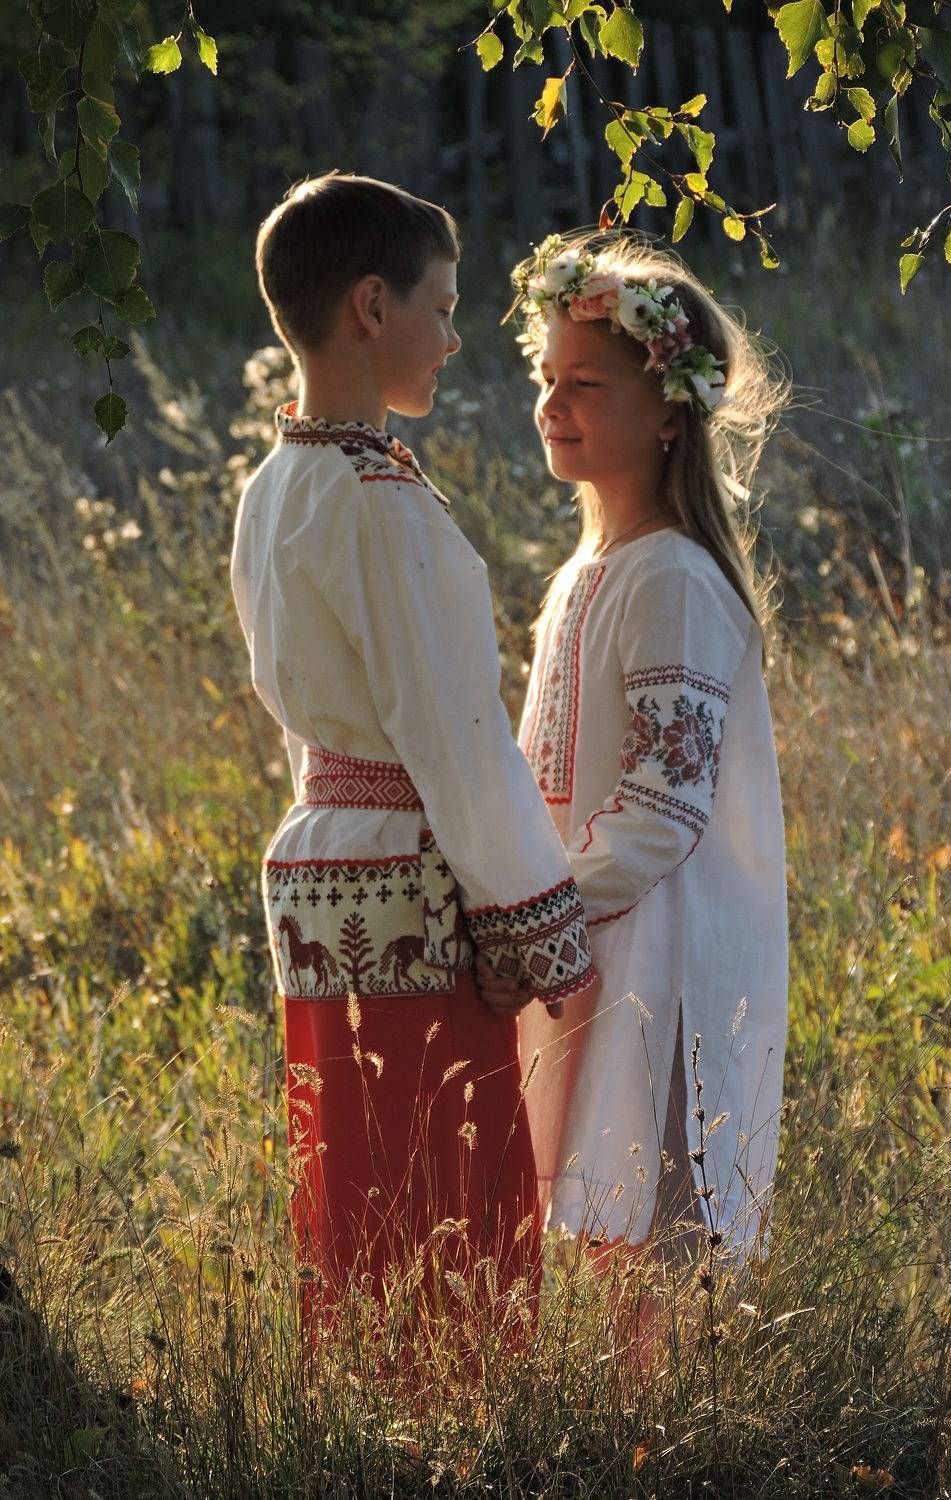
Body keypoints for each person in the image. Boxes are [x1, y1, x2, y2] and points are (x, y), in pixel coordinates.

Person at [230, 177, 597, 1345]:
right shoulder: (379, 501)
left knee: (352, 1180)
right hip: (410, 883)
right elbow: (456, 739)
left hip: (316, 868)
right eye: (441, 307)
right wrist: (538, 928)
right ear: (370, 305)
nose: (452, 337)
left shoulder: (270, 487)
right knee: (441, 1193)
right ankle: (454, 1420)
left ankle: (362, 1402)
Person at [477, 229, 790, 1345]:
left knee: (653, 1240)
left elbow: (661, 811)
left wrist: (534, 921)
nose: (551, 404)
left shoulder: (673, 578)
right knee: (613, 1245)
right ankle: (628, 1419)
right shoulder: (588, 571)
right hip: (587, 944)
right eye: (545, 378)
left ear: (667, 414)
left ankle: (662, 1428)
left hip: (659, 957)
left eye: (586, 385)